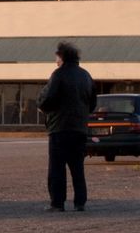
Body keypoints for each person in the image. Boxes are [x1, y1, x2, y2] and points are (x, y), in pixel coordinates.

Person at [37, 41, 97, 212]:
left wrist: (43, 106)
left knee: (57, 167)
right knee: (77, 167)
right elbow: (92, 103)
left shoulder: (58, 74)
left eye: (56, 57)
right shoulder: (86, 75)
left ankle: (57, 202)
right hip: (79, 128)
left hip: (60, 127)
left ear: (62, 56)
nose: (55, 60)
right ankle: (80, 202)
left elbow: (47, 98)